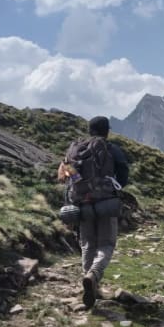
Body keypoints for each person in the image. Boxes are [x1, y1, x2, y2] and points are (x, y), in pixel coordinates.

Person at [63, 116, 129, 308]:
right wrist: (114, 187)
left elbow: (67, 175)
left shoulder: (76, 149)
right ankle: (93, 275)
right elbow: (123, 173)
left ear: (89, 130)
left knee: (87, 243)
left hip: (81, 204)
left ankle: (90, 284)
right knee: (106, 244)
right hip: (106, 203)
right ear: (107, 130)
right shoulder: (111, 148)